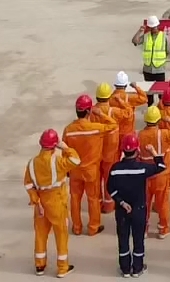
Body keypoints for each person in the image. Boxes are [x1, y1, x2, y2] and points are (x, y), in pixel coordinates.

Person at [107, 134, 168, 278]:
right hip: (139, 210)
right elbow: (161, 166)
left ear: (123, 150)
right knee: (138, 239)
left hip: (122, 211)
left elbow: (110, 189)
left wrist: (121, 202)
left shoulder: (115, 169)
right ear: (137, 150)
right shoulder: (142, 168)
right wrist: (153, 152)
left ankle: (125, 269)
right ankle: (137, 268)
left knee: (123, 239)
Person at [24, 129, 81, 278]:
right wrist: (65, 147)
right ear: (54, 145)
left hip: (40, 203)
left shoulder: (32, 163)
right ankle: (62, 267)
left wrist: (36, 200)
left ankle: (39, 265)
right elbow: (76, 160)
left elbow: (28, 185)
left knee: (40, 235)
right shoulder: (57, 162)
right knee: (61, 234)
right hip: (56, 201)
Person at [63, 94, 117, 236]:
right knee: (93, 198)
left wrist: (67, 169)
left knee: (75, 198)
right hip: (91, 170)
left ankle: (76, 227)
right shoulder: (95, 128)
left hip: (75, 170)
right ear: (89, 111)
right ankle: (93, 227)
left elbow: (65, 151)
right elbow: (113, 125)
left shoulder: (68, 130)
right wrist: (100, 114)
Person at [93, 82, 132, 214]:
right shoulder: (113, 112)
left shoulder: (92, 112)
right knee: (109, 179)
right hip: (110, 152)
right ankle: (109, 205)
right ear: (109, 96)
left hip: (95, 152)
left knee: (96, 179)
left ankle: (97, 204)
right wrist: (121, 101)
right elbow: (128, 113)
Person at [137, 106, 170, 238]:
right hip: (161, 175)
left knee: (144, 204)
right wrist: (169, 121)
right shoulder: (164, 134)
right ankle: (163, 229)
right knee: (162, 203)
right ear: (158, 120)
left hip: (145, 175)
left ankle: (144, 229)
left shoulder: (140, 135)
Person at [132, 17, 169, 105]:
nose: (154, 29)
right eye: (152, 27)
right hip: (148, 69)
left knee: (161, 92)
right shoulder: (146, 36)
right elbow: (134, 41)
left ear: (158, 26)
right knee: (149, 92)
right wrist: (140, 31)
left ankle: (162, 109)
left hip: (160, 69)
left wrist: (161, 59)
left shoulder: (164, 37)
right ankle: (150, 109)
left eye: (155, 27)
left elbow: (168, 50)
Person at [110, 72, 149, 140]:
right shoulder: (129, 98)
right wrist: (136, 87)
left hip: (114, 133)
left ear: (115, 85)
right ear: (125, 85)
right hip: (127, 132)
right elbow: (144, 98)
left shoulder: (110, 98)